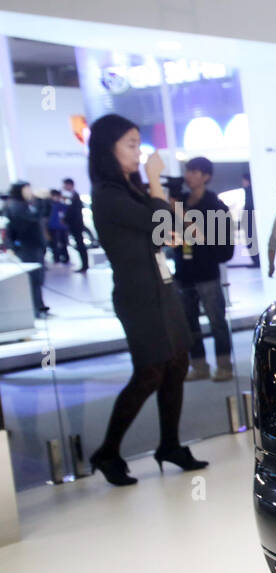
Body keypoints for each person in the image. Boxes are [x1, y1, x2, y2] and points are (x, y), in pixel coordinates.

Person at [85, 113, 208, 486]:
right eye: (132, 144)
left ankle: (169, 445)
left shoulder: (129, 190)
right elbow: (159, 224)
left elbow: (163, 230)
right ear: (109, 149)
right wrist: (155, 181)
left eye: (139, 144)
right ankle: (107, 451)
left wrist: (163, 217)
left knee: (177, 363)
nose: (140, 153)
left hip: (161, 288)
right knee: (150, 371)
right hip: (138, 295)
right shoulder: (107, 194)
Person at [175, 157, 235, 381]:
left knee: (217, 321)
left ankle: (224, 365)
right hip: (184, 271)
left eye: (194, 172)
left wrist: (184, 219)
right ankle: (199, 366)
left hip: (207, 272)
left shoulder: (215, 206)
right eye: (188, 171)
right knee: (188, 323)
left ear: (206, 177)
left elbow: (222, 248)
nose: (189, 175)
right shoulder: (179, 202)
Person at [3, 182, 50, 316]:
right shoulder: (15, 206)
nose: (30, 191)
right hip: (26, 247)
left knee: (38, 279)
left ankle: (40, 308)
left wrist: (42, 201)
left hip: (34, 246)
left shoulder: (24, 204)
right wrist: (40, 200)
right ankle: (36, 310)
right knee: (33, 280)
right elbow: (32, 219)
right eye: (27, 189)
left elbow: (42, 215)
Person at [63, 178, 90, 272]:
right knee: (80, 244)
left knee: (80, 244)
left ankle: (85, 265)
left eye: (65, 185)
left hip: (76, 225)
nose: (64, 187)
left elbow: (73, 212)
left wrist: (65, 218)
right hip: (75, 224)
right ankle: (84, 265)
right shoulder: (71, 196)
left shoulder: (74, 196)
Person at [45, 188, 70, 264]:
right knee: (54, 244)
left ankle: (65, 258)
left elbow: (66, 215)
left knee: (64, 243)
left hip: (62, 227)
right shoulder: (49, 205)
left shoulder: (62, 205)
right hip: (52, 227)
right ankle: (56, 258)